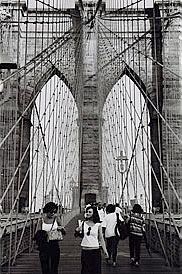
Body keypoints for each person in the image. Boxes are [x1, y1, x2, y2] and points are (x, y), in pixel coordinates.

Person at [75, 205, 108, 274]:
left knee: (96, 271)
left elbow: (101, 239)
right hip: (85, 251)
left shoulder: (98, 225)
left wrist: (105, 251)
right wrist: (77, 231)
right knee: (85, 270)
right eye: (87, 212)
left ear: (94, 213)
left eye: (90, 212)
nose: (87, 213)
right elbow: (77, 235)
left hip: (95, 251)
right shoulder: (83, 224)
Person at [35, 202, 66, 274]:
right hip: (44, 245)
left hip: (54, 244)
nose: (53, 213)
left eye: (54, 212)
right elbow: (37, 233)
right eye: (51, 212)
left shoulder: (56, 219)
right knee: (44, 266)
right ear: (46, 211)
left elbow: (64, 232)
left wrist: (61, 229)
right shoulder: (41, 220)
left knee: (54, 266)